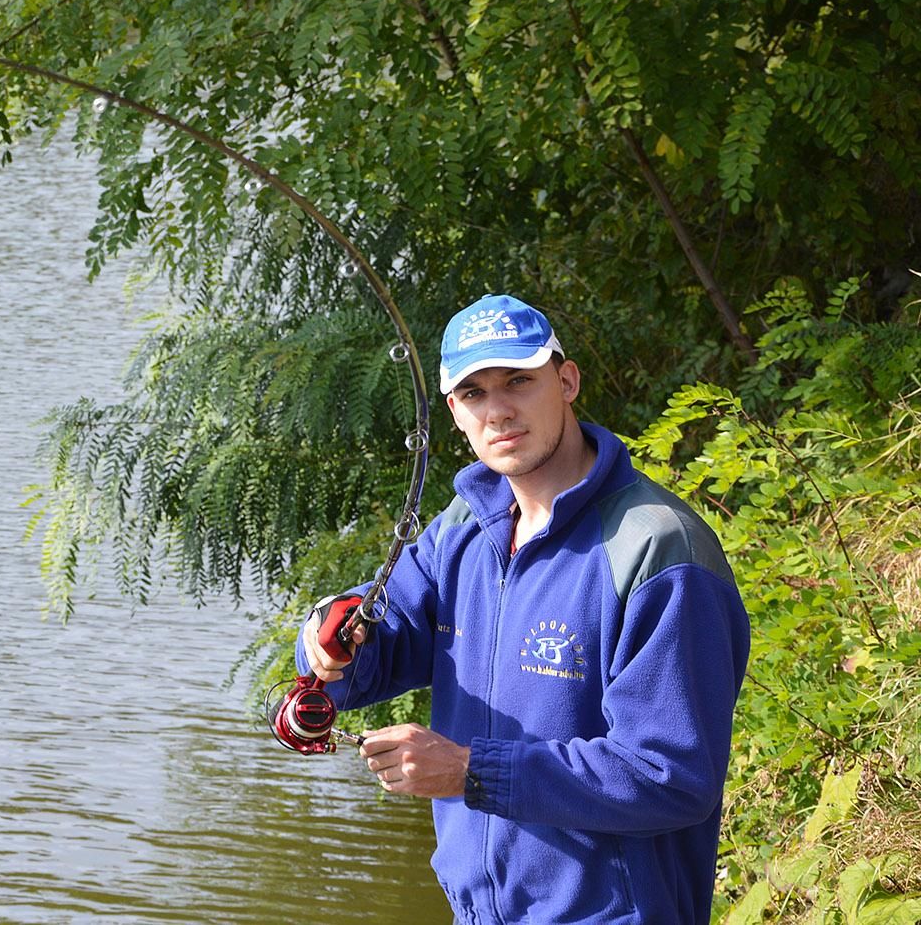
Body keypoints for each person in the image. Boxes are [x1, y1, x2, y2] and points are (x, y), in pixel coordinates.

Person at [298, 293, 749, 925]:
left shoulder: (657, 548)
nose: (499, 410)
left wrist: (468, 770)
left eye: (518, 380)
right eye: (475, 393)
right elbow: (379, 638)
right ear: (454, 412)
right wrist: (327, 639)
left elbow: (670, 776)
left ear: (565, 381)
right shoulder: (460, 529)